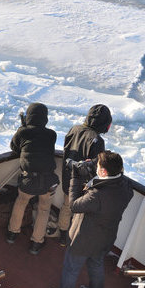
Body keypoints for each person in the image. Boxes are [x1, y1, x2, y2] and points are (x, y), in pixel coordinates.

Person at [47, 150, 132, 288]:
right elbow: (115, 182)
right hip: (106, 238)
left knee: (71, 269)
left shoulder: (97, 195)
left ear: (103, 172)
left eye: (98, 166)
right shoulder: (126, 185)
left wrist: (76, 177)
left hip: (83, 239)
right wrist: (95, 173)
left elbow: (75, 205)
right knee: (96, 266)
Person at [52, 104, 112, 246]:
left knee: (66, 205)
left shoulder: (75, 129)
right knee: (79, 211)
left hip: (68, 175)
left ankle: (62, 234)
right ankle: (73, 236)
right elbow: (95, 165)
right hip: (83, 182)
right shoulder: (97, 140)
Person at [6, 102, 60, 255]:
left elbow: (15, 147)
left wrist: (22, 127)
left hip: (28, 180)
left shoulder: (23, 132)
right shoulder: (52, 134)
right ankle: (36, 243)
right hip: (48, 181)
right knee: (44, 209)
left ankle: (12, 233)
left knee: (21, 202)